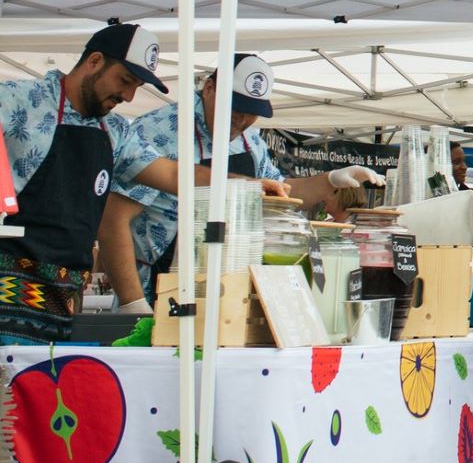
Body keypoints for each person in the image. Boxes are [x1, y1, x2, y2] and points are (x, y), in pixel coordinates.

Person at [101, 54, 390, 307]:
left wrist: (331, 180)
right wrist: (133, 304)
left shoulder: (249, 139)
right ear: (210, 88)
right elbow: (113, 220)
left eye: (250, 114)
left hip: (232, 287)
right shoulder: (159, 131)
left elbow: (280, 193)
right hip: (158, 287)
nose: (240, 122)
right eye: (234, 110)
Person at [0, 25, 228, 343]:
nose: (128, 96)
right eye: (125, 81)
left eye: (135, 87)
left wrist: (248, 185)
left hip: (67, 305)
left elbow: (175, 175)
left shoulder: (116, 132)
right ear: (94, 61)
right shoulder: (17, 103)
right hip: (7, 297)